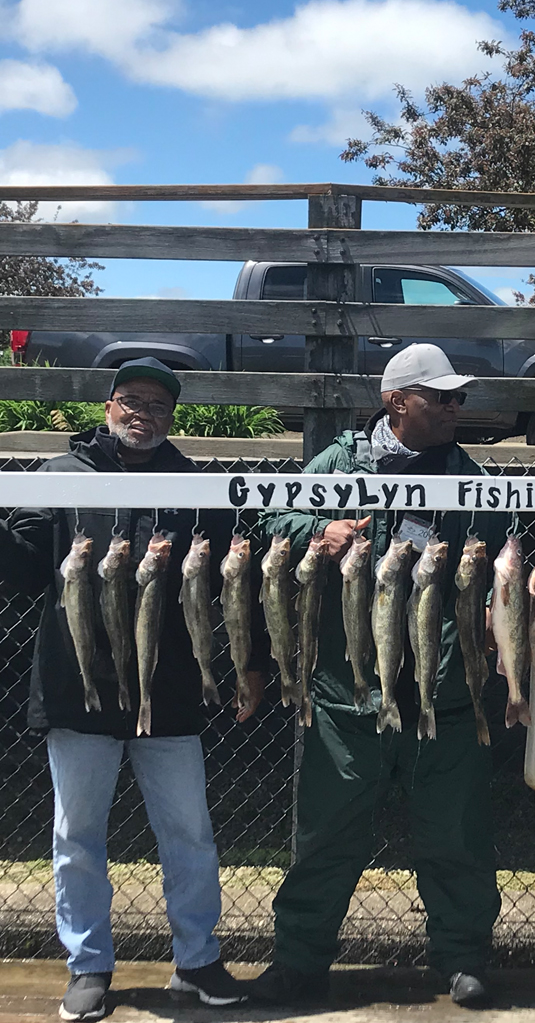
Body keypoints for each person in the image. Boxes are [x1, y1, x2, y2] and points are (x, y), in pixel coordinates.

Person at [0, 358, 267, 1021]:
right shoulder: (58, 477)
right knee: (77, 834)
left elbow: (232, 582)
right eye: (131, 399)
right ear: (107, 405)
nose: (143, 412)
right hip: (79, 686)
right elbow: (27, 570)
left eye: (158, 403)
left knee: (189, 831)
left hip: (169, 686)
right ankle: (88, 964)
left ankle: (197, 960)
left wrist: (248, 655)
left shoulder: (192, 484)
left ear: (173, 416)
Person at [250, 343, 507, 1009]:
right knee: (327, 837)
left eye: (459, 397)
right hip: (348, 694)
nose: (456, 408)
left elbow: (501, 550)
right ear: (396, 402)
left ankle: (461, 958)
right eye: (441, 397)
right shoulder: (340, 463)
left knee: (456, 838)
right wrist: (317, 533)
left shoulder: (467, 474)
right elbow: (269, 515)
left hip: (445, 694)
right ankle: (300, 961)